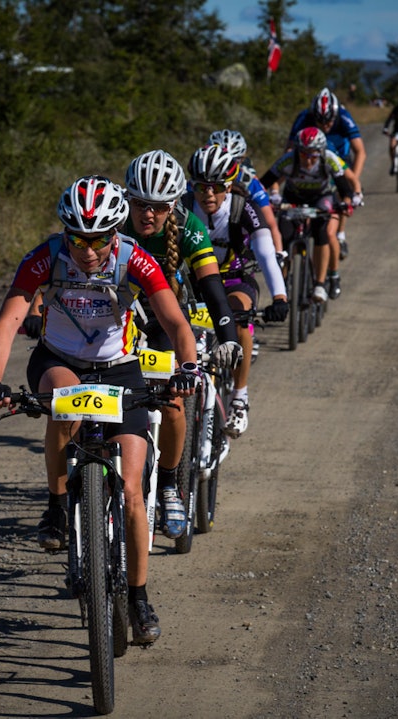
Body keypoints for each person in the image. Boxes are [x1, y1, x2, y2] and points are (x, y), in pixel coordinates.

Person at [0, 175, 199, 644]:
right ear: (66, 233)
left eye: (99, 240)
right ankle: (57, 506)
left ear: (116, 233)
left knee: (134, 491)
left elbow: (175, 322)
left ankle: (138, 597)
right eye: (78, 239)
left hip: (120, 368)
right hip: (58, 361)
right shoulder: (45, 257)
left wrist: (188, 368)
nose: (89, 250)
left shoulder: (134, 259)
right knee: (67, 404)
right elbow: (9, 320)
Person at [119, 149, 242, 535]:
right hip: (116, 319)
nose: (148, 214)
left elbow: (213, 289)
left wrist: (228, 337)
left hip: (164, 321)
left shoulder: (190, 228)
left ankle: (170, 485)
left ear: (173, 204)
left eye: (158, 207)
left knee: (172, 402)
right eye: (140, 204)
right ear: (127, 199)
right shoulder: (114, 220)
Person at [183, 144, 289, 437]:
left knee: (240, 319)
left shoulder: (244, 208)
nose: (208, 194)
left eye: (217, 187)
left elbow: (265, 253)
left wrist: (279, 296)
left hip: (235, 279)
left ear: (228, 186)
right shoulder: (183, 206)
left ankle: (239, 397)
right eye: (201, 187)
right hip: (194, 282)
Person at [261, 126, 356, 302]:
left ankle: (320, 284)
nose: (309, 160)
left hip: (320, 198)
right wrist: (265, 200)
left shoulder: (329, 159)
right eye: (304, 154)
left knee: (322, 233)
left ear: (321, 152)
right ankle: (283, 284)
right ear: (297, 151)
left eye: (313, 155)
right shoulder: (288, 160)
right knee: (284, 237)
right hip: (292, 199)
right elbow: (263, 183)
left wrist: (347, 204)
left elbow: (345, 189)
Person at [286, 88, 365, 262]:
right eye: (319, 122)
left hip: (340, 160)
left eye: (329, 122)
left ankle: (340, 235)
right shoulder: (304, 117)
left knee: (341, 196)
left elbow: (360, 151)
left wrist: (354, 182)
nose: (324, 126)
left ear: (335, 116)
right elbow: (290, 149)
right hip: (313, 159)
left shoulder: (344, 117)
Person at [208, 128, 284, 255]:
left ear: (241, 160)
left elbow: (270, 224)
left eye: (233, 162)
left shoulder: (250, 182)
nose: (226, 168)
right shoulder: (200, 178)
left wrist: (279, 254)